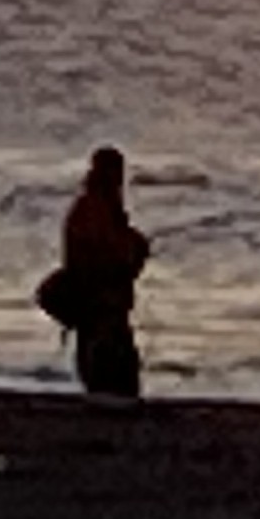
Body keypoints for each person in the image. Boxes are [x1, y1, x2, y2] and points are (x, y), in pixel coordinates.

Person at [39, 145, 153, 399]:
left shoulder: (99, 207)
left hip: (102, 304)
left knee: (108, 361)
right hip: (99, 304)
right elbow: (107, 258)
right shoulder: (93, 209)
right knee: (108, 362)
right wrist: (134, 249)